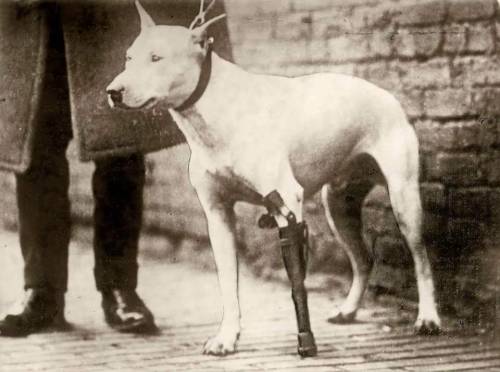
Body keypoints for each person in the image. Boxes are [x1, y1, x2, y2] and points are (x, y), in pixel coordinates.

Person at [0, 0, 232, 336]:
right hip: (33, 24)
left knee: (119, 153)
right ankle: (41, 292)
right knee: (34, 154)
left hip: (106, 18)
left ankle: (120, 288)